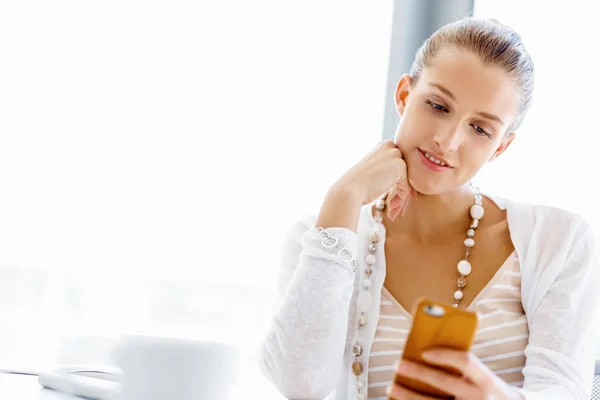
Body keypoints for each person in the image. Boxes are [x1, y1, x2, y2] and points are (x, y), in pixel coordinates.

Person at [258, 17, 599, 400]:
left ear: (501, 146)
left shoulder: (559, 241)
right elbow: (299, 385)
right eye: (437, 106)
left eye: (481, 129)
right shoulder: (325, 238)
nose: (447, 140)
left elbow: (565, 391)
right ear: (404, 95)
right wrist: (344, 197)